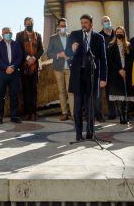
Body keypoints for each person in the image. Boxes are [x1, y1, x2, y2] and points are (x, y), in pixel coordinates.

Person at [68, 14, 107, 142]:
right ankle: (78, 134)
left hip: (92, 76)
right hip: (78, 76)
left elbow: (103, 59)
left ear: (91, 24)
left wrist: (103, 78)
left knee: (91, 106)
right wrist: (71, 49)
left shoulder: (99, 38)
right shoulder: (74, 35)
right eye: (82, 22)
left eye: (86, 22)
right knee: (77, 107)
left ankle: (90, 133)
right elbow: (67, 52)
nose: (83, 24)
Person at [0, 27, 23, 123]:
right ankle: (0, 116)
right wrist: (6, 68)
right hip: (2, 74)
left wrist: (13, 67)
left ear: (11, 33)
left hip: (14, 74)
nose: (7, 34)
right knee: (0, 96)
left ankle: (14, 116)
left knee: (14, 96)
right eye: (5, 33)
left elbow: (20, 57)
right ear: (2, 34)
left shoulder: (16, 44)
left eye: (9, 32)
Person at [46, 17, 74, 121]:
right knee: (61, 91)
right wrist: (59, 54)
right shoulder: (53, 38)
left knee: (70, 91)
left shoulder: (71, 37)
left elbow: (75, 51)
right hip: (58, 68)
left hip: (70, 68)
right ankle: (64, 112)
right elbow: (49, 53)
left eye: (65, 26)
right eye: (62, 26)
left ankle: (73, 114)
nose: (63, 27)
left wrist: (70, 56)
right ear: (58, 27)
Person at [106, 26, 134, 124]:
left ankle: (126, 115)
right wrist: (119, 70)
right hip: (116, 73)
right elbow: (110, 61)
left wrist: (125, 70)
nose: (119, 33)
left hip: (127, 73)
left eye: (121, 32)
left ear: (124, 33)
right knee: (118, 95)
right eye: (117, 32)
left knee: (126, 95)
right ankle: (121, 116)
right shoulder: (111, 45)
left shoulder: (129, 45)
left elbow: (131, 59)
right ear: (115, 33)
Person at [18, 17, 44, 120]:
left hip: (34, 67)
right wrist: (28, 57)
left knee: (33, 90)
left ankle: (33, 113)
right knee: (25, 90)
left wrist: (34, 57)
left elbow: (41, 50)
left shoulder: (38, 35)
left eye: (31, 23)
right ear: (24, 24)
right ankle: (26, 113)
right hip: (24, 67)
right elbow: (18, 48)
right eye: (27, 23)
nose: (29, 25)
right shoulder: (19, 35)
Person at [96, 16, 115, 121]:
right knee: (103, 92)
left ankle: (118, 113)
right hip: (104, 67)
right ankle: (102, 114)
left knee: (115, 91)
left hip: (116, 67)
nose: (107, 22)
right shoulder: (99, 36)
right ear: (101, 24)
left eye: (108, 20)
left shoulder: (116, 34)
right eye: (104, 21)